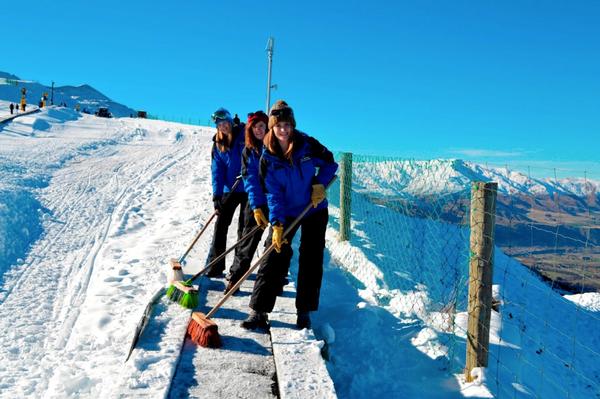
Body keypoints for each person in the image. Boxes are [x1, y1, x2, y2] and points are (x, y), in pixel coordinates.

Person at [241, 100, 338, 331]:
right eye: (278, 125)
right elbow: (273, 194)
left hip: (314, 207)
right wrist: (276, 224)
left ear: (292, 125)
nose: (283, 130)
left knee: (311, 258)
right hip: (288, 209)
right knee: (273, 252)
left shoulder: (306, 144)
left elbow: (330, 163)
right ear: (272, 127)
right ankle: (259, 310)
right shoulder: (268, 157)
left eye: (287, 124)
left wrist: (319, 184)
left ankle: (304, 311)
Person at [224, 110, 270, 294]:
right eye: (254, 127)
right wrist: (257, 206)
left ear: (267, 126)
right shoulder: (248, 151)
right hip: (257, 201)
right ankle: (235, 279)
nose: (258, 130)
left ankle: (275, 281)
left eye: (261, 126)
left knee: (276, 245)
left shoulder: (275, 147)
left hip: (278, 202)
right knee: (247, 241)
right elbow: (249, 180)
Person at [205, 107, 248, 277]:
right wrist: (217, 195)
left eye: (225, 122)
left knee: (243, 228)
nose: (223, 126)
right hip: (229, 189)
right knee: (220, 225)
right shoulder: (217, 144)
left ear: (230, 120)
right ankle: (215, 265)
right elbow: (217, 171)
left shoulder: (244, 134)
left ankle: (237, 269)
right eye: (219, 124)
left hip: (248, 188)